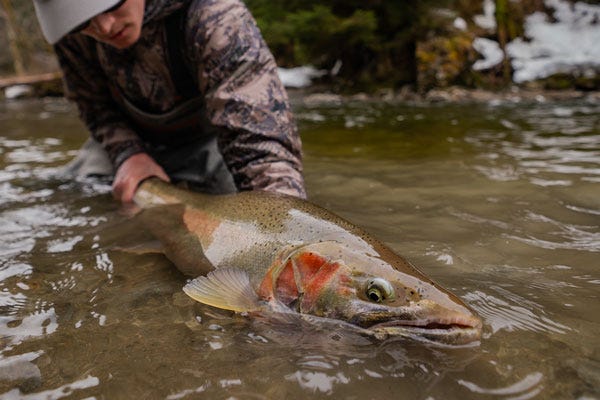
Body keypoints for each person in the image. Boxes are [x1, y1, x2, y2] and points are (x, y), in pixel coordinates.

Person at [32, 0, 306, 202]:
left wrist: (282, 229)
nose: (104, 27)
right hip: (127, 142)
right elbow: (93, 104)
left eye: (112, 5)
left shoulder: (216, 17)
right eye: (83, 22)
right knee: (74, 197)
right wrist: (128, 154)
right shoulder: (72, 37)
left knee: (244, 203)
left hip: (212, 145)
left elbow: (261, 144)